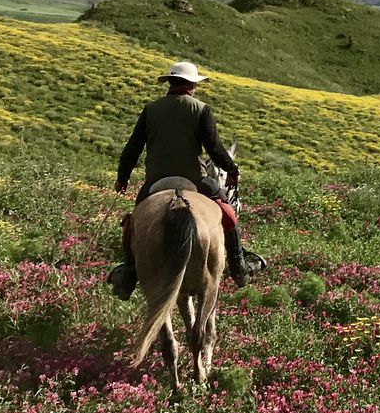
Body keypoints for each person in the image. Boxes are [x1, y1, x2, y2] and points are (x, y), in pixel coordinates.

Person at [107, 61, 266, 300]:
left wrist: (123, 178)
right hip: (194, 179)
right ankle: (239, 267)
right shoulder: (202, 109)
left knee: (133, 221)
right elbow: (214, 149)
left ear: (170, 82)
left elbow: (132, 149)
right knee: (228, 213)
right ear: (192, 85)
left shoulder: (151, 109)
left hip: (155, 181)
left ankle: (129, 273)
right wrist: (232, 170)